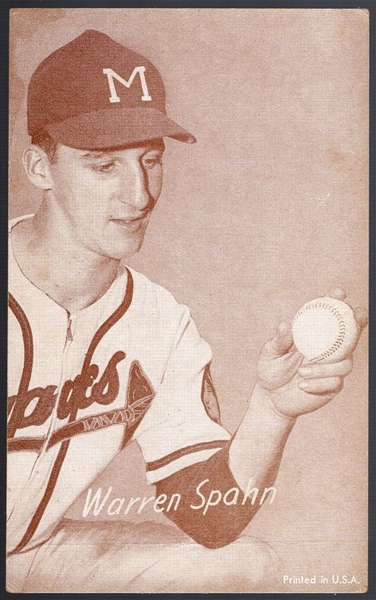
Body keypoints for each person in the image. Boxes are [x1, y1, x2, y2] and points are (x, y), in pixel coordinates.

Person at [7, 29, 367, 593]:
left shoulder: (158, 322)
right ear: (39, 168)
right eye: (104, 166)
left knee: (244, 565)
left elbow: (210, 517)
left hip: (35, 554)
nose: (139, 194)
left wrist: (272, 411)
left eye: (149, 161)